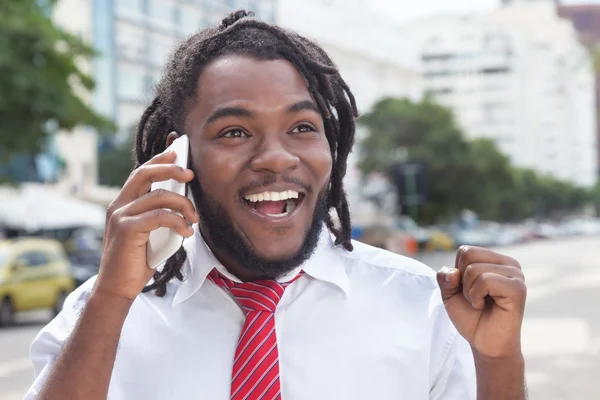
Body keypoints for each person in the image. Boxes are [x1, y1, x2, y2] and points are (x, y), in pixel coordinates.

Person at [26, 11, 527, 400]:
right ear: (178, 157)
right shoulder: (102, 310)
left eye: (302, 128)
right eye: (234, 132)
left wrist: (499, 359)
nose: (275, 158)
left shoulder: (422, 306)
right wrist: (112, 300)